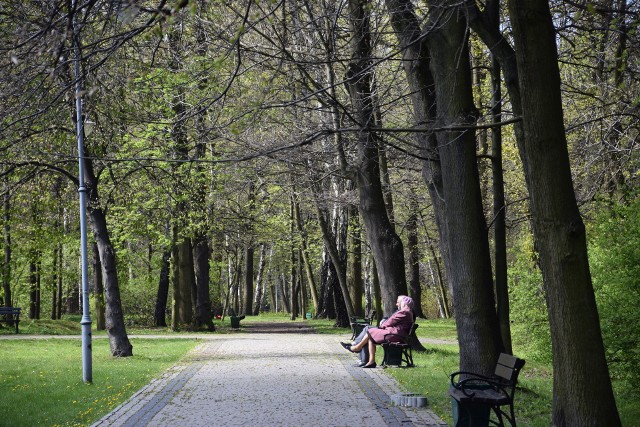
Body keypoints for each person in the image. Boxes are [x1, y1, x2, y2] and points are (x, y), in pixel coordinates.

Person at [341, 295, 414, 368]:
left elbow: (388, 323)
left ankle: (356, 347)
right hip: (396, 334)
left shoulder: (404, 312)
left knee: (370, 331)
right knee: (370, 335)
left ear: (403, 303)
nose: (396, 304)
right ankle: (370, 361)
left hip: (394, 335)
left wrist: (382, 323)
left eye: (398, 302)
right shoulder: (407, 312)